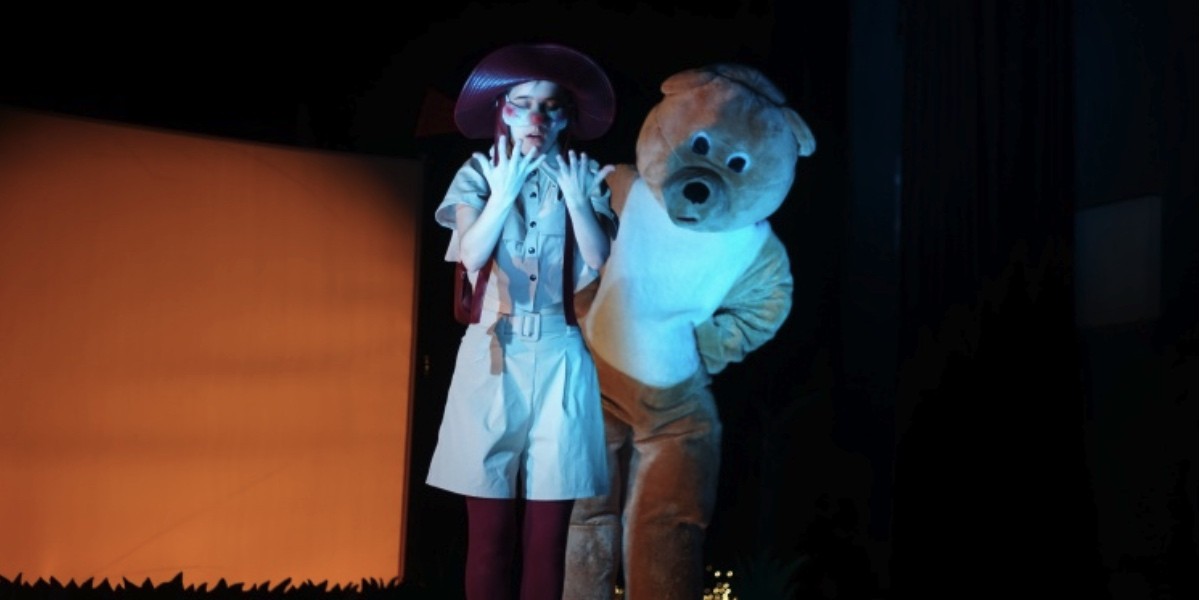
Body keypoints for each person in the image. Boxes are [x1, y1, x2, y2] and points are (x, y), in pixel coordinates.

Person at [425, 42, 617, 600]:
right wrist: (503, 193)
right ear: (502, 111)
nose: (537, 117)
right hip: (492, 352)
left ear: (567, 117)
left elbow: (599, 258)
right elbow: (471, 255)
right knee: (490, 537)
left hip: (560, 353)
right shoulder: (479, 172)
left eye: (551, 106)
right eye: (523, 103)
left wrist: (577, 200)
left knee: (547, 538)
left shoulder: (582, 174)